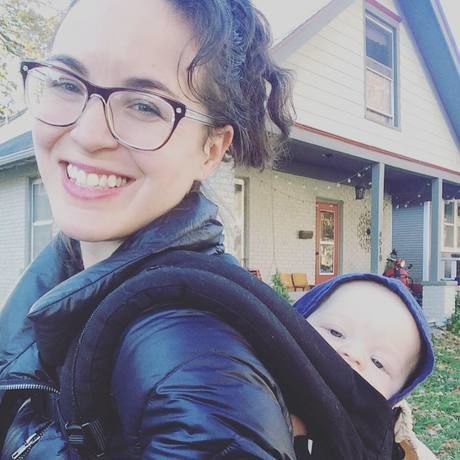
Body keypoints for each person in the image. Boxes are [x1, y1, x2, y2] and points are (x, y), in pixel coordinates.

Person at [0, 0, 297, 458]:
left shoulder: (200, 371)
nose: (88, 133)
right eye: (66, 83)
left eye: (144, 106)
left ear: (211, 149)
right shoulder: (64, 279)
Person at [292, 273, 437, 460]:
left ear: (394, 400)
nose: (352, 353)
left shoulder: (396, 450)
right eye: (335, 332)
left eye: (378, 362)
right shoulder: (257, 379)